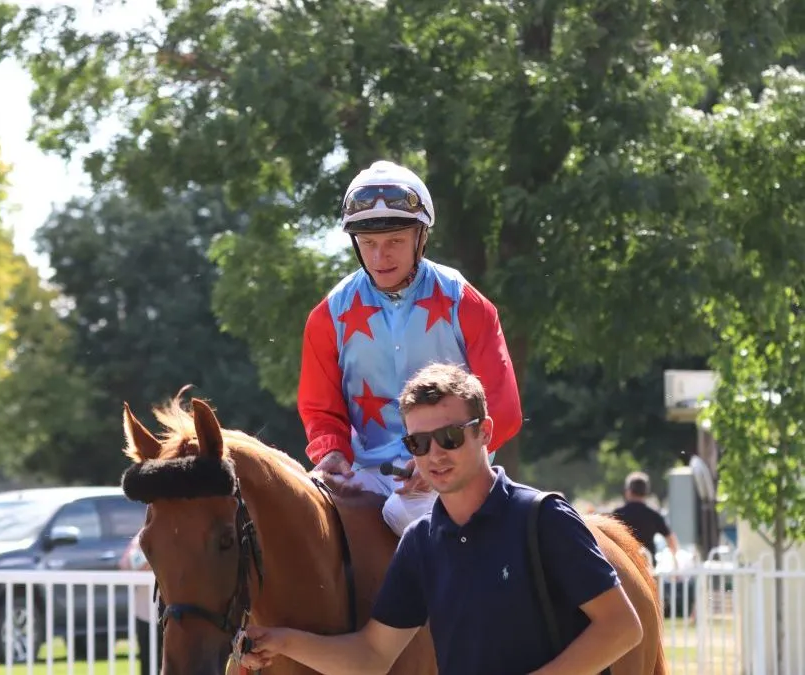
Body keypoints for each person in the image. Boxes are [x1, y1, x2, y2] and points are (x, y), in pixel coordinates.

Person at [242, 362, 642, 675]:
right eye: (418, 443)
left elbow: (623, 627)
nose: (435, 454)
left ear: (485, 432)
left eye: (450, 437)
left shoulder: (543, 518)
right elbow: (372, 656)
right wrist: (281, 641)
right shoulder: (420, 543)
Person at [298, 159, 523, 536]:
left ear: (421, 237)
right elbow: (320, 408)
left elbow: (504, 409)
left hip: (454, 470)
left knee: (408, 515)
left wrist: (437, 458)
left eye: (395, 242)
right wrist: (332, 452)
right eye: (368, 244)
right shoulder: (327, 316)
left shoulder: (466, 303)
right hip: (367, 474)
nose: (379, 257)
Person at [612, 471, 679, 566]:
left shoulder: (618, 513)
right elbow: (670, 539)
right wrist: (675, 562)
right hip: (648, 565)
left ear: (628, 491)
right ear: (646, 492)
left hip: (624, 566)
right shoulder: (654, 514)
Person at [120, 532, 163, 675]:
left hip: (175, 616)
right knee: (148, 667)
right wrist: (152, 558)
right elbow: (126, 563)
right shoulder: (144, 534)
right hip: (146, 615)